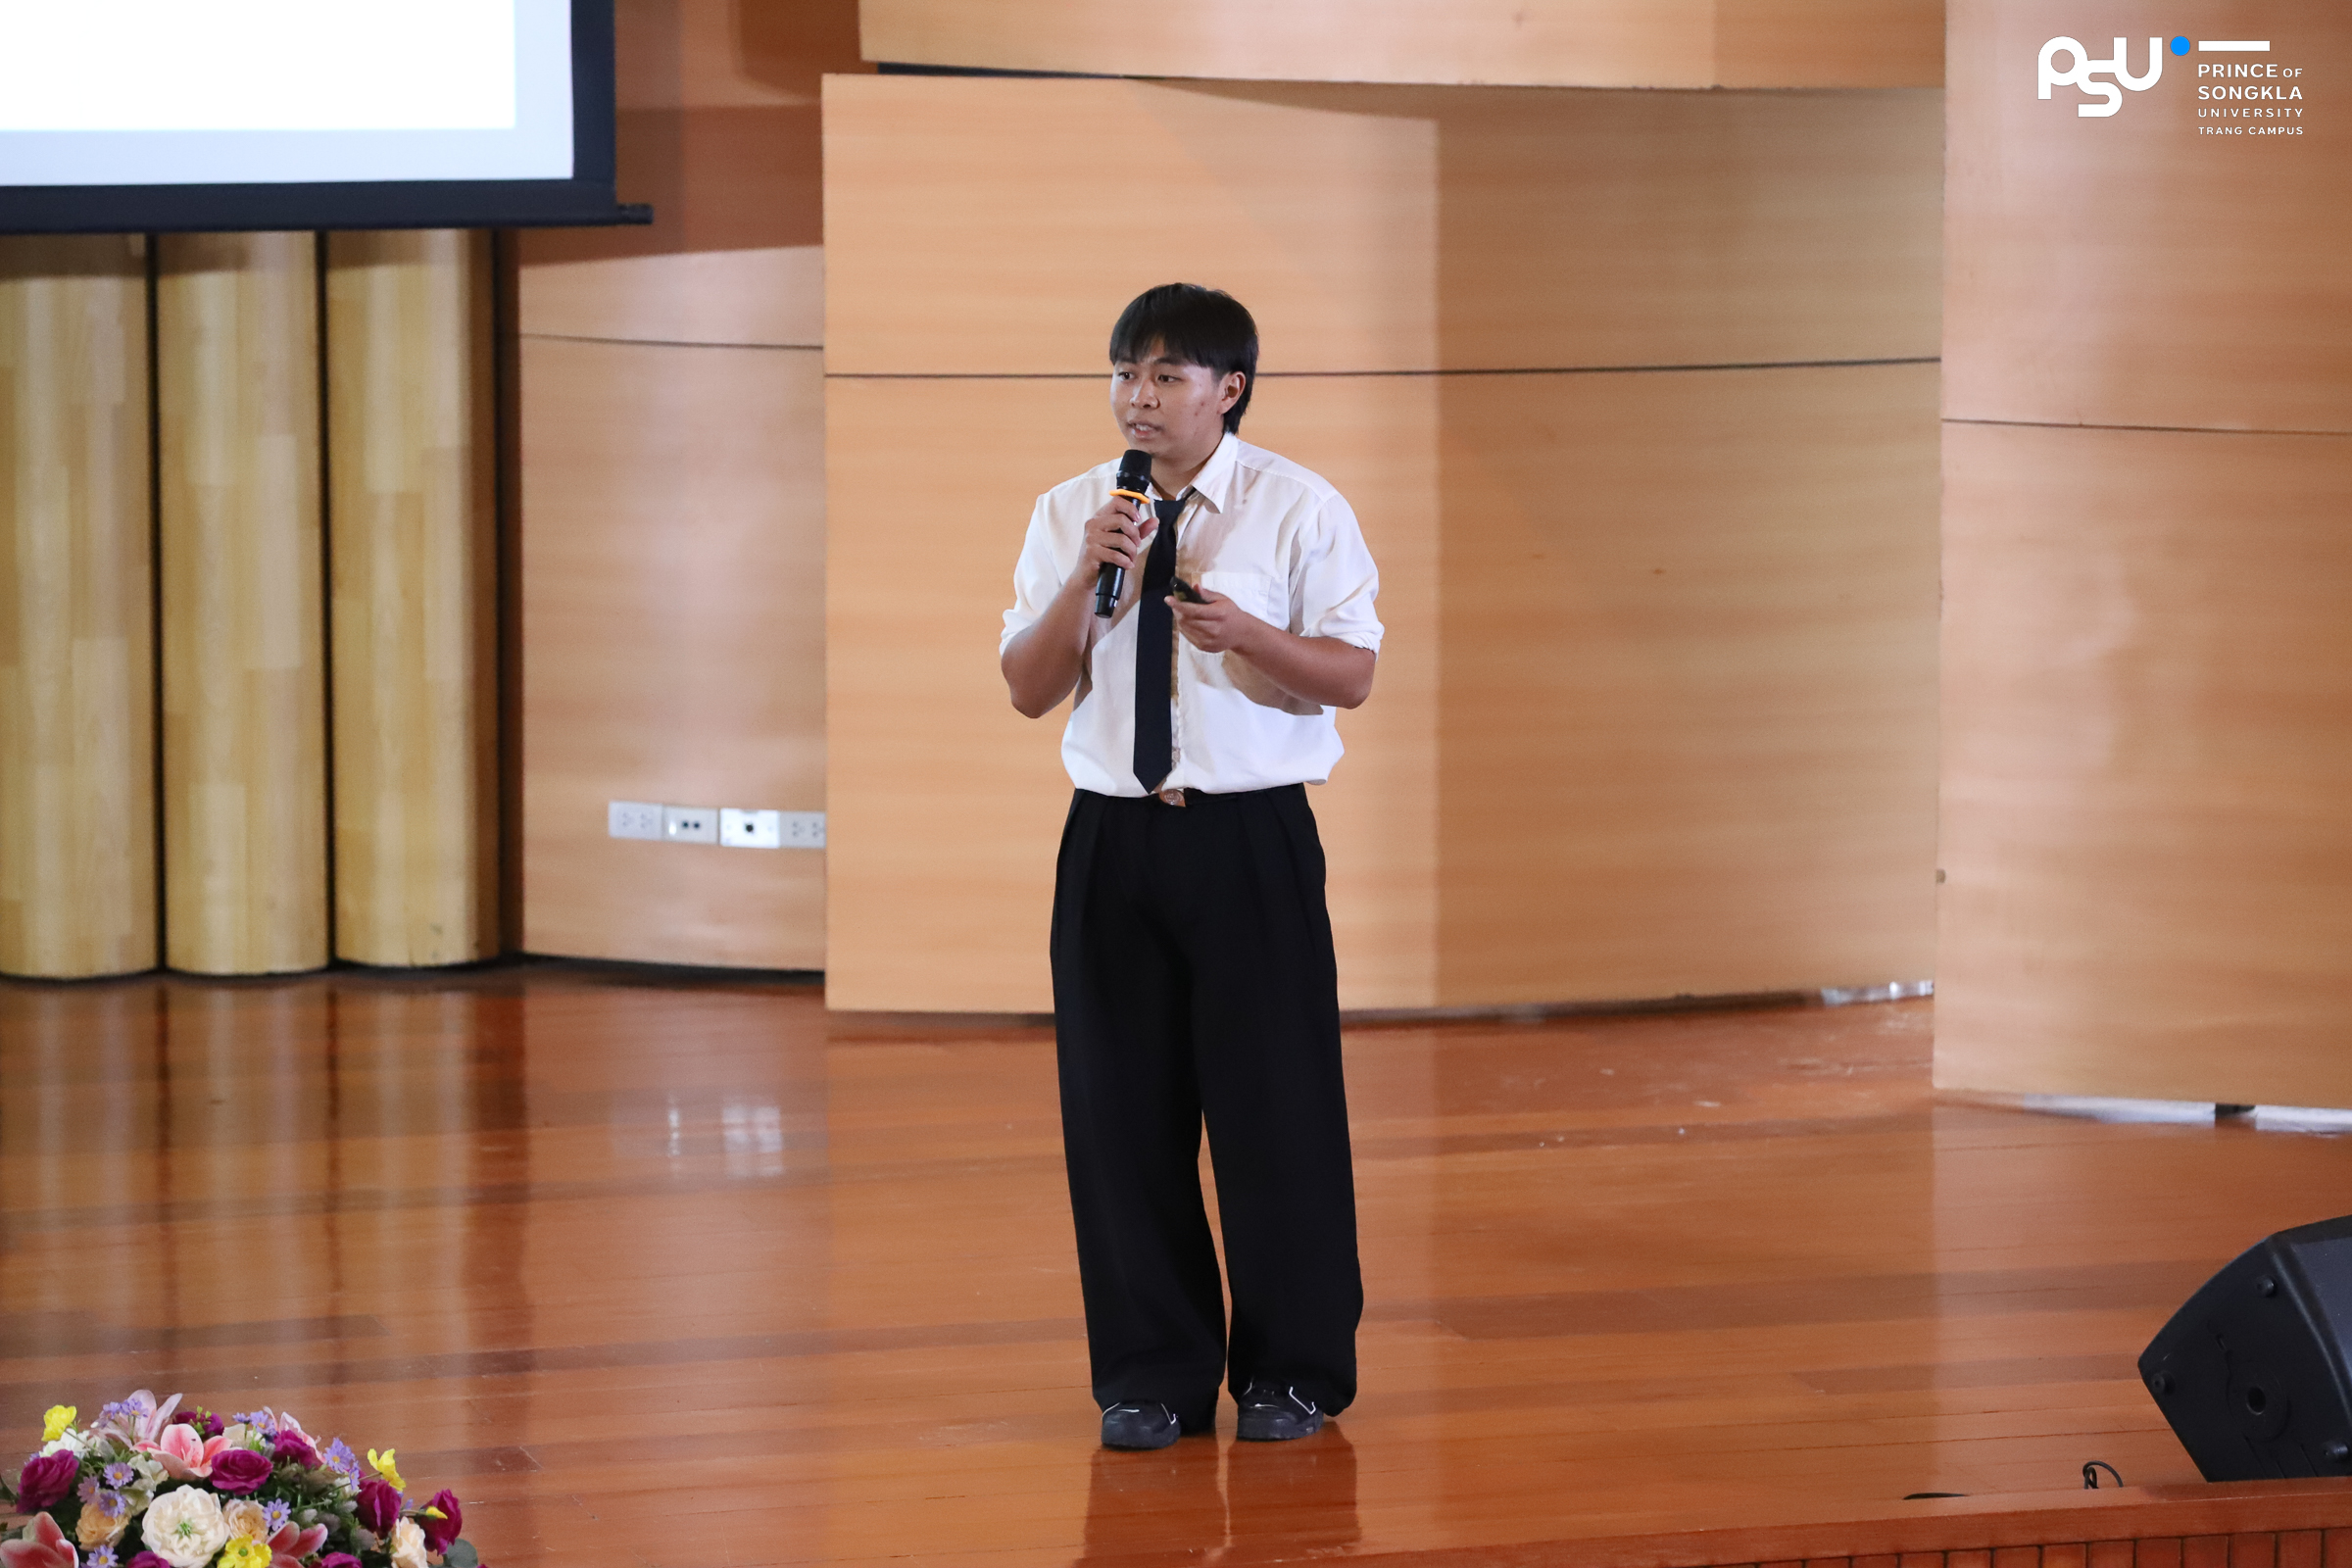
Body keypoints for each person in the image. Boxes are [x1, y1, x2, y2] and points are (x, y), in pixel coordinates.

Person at [999, 283, 1382, 1450]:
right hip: (1112, 838)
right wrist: (1086, 577)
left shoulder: (1298, 507)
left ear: (1230, 388)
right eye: (1125, 372)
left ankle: (1294, 1372)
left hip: (1250, 838)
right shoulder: (1073, 511)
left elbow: (1353, 673)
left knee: (1278, 1109)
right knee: (1119, 1115)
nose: (1139, 395)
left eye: (1166, 373)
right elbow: (1027, 688)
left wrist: (1250, 636)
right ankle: (1151, 1375)